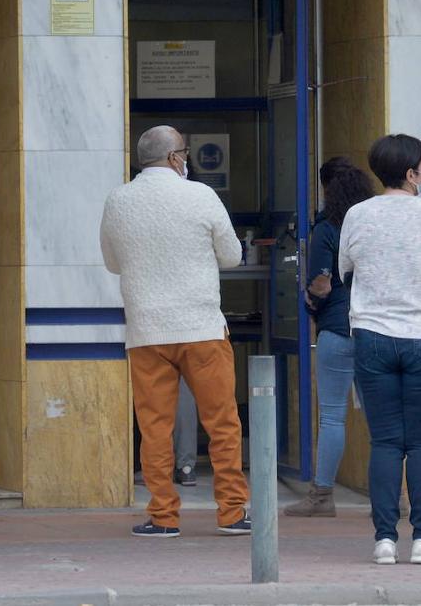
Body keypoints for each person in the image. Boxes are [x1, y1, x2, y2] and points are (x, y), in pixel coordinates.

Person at [100, 125, 250, 538]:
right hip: (201, 326)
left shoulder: (119, 199)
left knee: (154, 428)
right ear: (174, 158)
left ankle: (163, 517)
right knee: (222, 423)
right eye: (185, 152)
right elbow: (233, 255)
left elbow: (113, 262)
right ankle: (232, 512)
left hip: (147, 330)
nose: (187, 159)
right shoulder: (201, 195)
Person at [337, 134, 421, 565]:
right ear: (410, 173)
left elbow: (344, 268)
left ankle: (384, 540)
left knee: (385, 442)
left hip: (373, 335)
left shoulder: (356, 214)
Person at [284, 156, 374, 518]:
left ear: (326, 189)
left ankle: (322, 497)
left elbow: (321, 282)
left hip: (338, 327)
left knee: (333, 417)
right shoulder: (371, 224)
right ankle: (394, 497)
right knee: (378, 416)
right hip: (373, 327)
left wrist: (310, 297)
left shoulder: (327, 228)